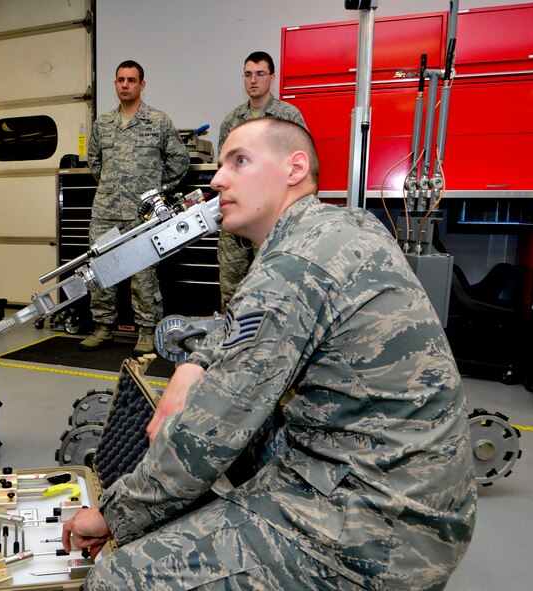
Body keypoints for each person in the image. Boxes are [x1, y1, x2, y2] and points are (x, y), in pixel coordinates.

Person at [63, 118, 476, 590]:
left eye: (239, 161)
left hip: (379, 527)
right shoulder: (341, 227)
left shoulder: (293, 265)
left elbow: (209, 431)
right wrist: (196, 363)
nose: (218, 179)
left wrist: (115, 515)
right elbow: (247, 325)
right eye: (220, 164)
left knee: (115, 579)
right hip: (416, 490)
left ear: (294, 168)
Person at [80, 60, 190, 355]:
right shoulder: (103, 124)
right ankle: (102, 327)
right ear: (115, 84)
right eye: (120, 80)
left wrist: (156, 190)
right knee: (100, 268)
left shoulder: (158, 121)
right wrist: (113, 186)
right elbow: (95, 163)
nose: (125, 85)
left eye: (131, 80)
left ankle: (145, 331)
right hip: (106, 209)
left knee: (143, 272)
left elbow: (180, 160)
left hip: (142, 214)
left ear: (142, 84)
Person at [216, 51, 307, 311]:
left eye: (259, 74)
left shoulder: (288, 117)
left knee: (274, 283)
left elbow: (300, 165)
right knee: (231, 287)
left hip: (272, 218)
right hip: (237, 216)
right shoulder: (232, 121)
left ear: (272, 78)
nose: (253, 80)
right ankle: (230, 344)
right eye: (248, 74)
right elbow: (225, 167)